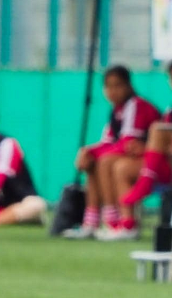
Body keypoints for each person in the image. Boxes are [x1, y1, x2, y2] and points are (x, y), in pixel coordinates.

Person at [63, 65, 159, 240]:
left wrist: (93, 152)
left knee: (108, 162)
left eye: (117, 85)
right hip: (137, 161)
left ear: (129, 86)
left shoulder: (136, 106)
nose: (112, 91)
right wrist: (88, 152)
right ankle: (90, 222)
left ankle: (118, 222)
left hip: (153, 164)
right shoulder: (116, 111)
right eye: (108, 86)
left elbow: (127, 144)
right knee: (94, 161)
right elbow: (108, 143)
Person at [117, 62, 172, 221]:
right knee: (120, 167)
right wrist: (146, 149)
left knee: (157, 129)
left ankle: (146, 180)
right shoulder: (169, 113)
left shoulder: (140, 106)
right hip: (164, 164)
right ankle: (125, 223)